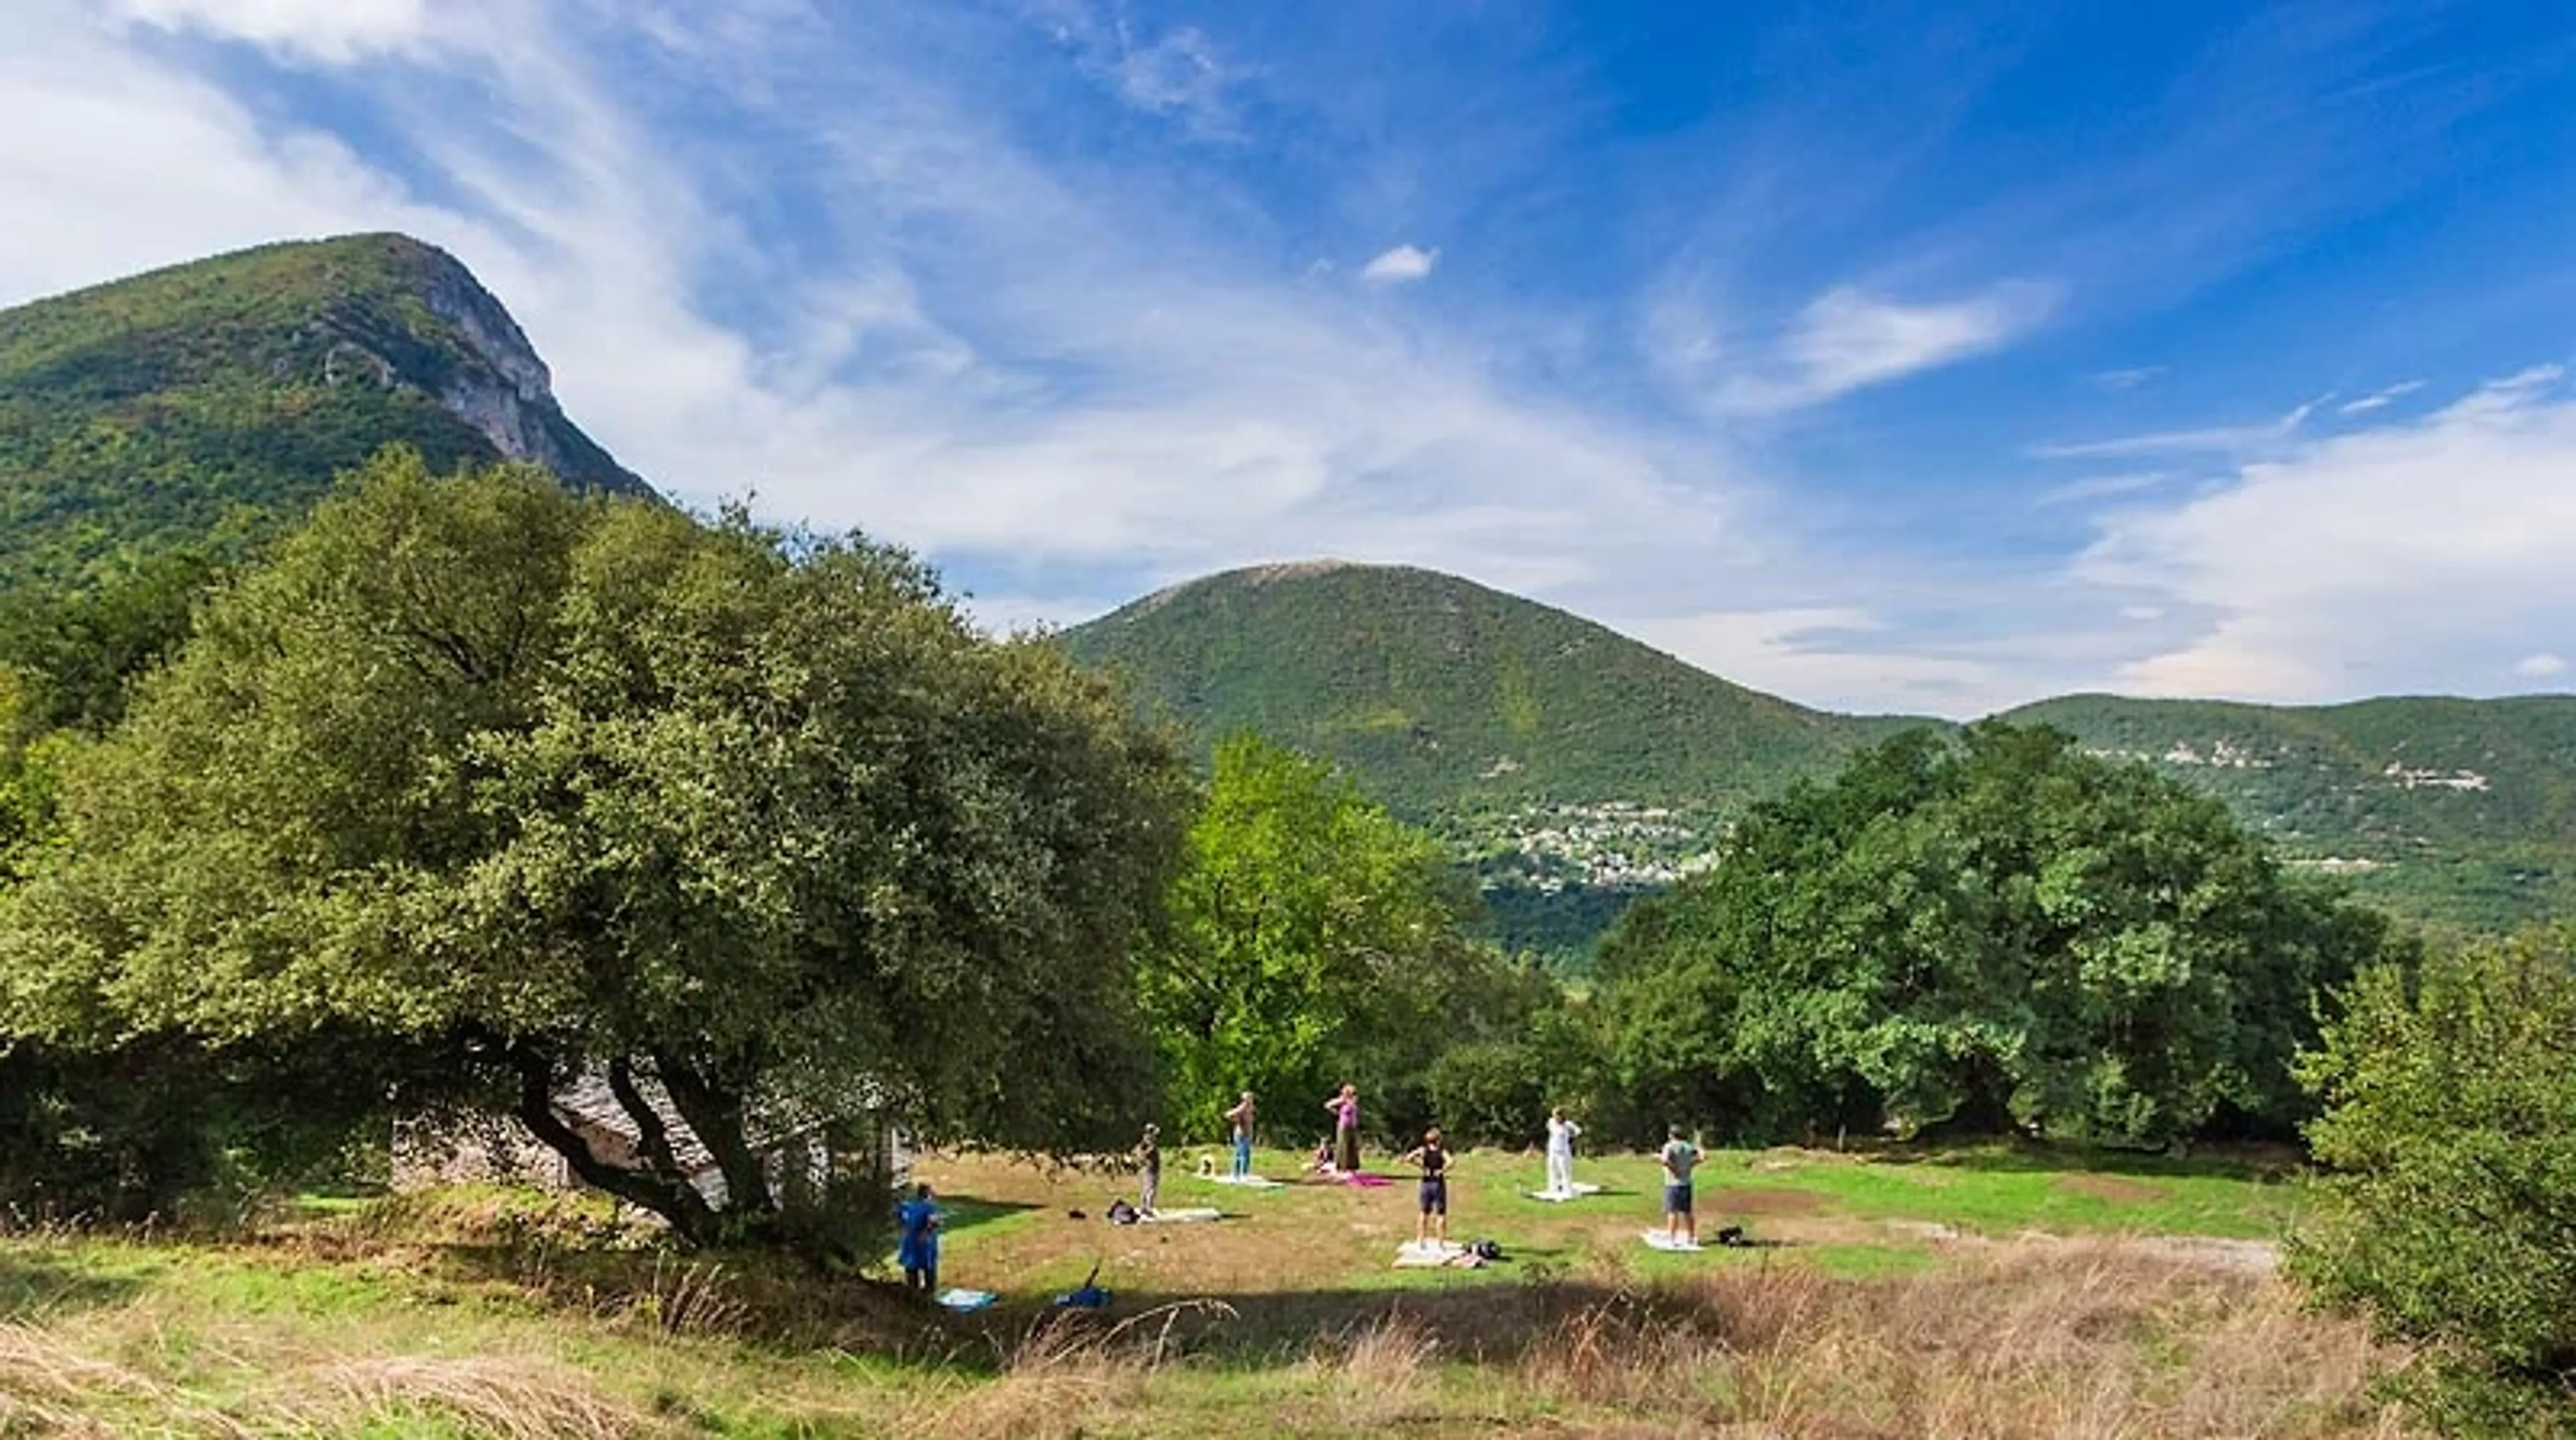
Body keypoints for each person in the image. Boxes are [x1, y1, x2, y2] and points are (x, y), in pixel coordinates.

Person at [1397, 1125, 1452, 1247]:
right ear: (1439, 1140)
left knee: (1424, 1212)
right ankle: (1441, 1243)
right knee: (1441, 1214)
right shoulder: (1442, 1151)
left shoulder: (1423, 1150)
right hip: (1438, 1183)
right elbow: (1451, 1162)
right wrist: (1442, 1171)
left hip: (1426, 1182)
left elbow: (1409, 1158)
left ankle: (1421, 1240)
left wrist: (1421, 1167)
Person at [895, 1182, 942, 1292]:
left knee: (912, 1271)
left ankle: (914, 1294)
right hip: (924, 1244)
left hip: (910, 1242)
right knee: (928, 1271)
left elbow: (899, 1218)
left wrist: (903, 1228)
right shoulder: (929, 1207)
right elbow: (934, 1222)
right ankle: (928, 1295)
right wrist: (925, 1233)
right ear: (927, 1193)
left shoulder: (907, 1206)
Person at [1659, 1124, 1701, 1245]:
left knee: (1672, 1212)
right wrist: (1689, 1166)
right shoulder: (1688, 1146)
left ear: (1670, 1135)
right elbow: (1701, 1157)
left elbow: (1665, 1160)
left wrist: (1675, 1170)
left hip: (1672, 1184)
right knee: (1688, 1212)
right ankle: (1691, 1237)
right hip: (1686, 1184)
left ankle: (1672, 1239)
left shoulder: (1669, 1146)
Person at [1544, 1106, 1582, 1198]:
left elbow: (1579, 1131)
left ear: (1561, 1116)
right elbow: (1549, 1127)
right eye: (1554, 1115)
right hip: (1553, 1151)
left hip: (1563, 1152)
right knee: (1552, 1169)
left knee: (1565, 1171)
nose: (1555, 1117)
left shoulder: (1568, 1124)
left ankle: (1567, 1190)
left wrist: (1571, 1135)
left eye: (1557, 1115)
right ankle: (1553, 1189)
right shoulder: (1551, 1122)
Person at [1326, 1084, 1360, 1175]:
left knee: (1352, 1146)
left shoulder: (1353, 1100)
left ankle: (1352, 1167)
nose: (1353, 1093)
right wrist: (1336, 1112)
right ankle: (1341, 1167)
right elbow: (1328, 1105)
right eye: (1351, 1092)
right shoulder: (1342, 1100)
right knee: (1343, 1146)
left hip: (1353, 1126)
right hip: (1344, 1126)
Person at [1222, 1091, 1258, 1179]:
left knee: (1244, 1153)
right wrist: (1236, 1120)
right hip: (1241, 1134)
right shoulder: (1243, 1107)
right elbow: (1229, 1114)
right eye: (1249, 1098)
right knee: (1242, 1154)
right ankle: (1241, 1173)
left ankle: (1238, 1173)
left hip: (1247, 1134)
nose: (1251, 1100)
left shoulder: (1250, 1108)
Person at [1136, 1122, 1162, 1215]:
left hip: (1150, 1167)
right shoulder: (1148, 1140)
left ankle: (1144, 1207)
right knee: (1151, 1189)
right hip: (1151, 1168)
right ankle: (1148, 1208)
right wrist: (1145, 1155)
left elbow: (1139, 1150)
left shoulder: (1147, 1140)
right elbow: (1140, 1150)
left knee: (1147, 1188)